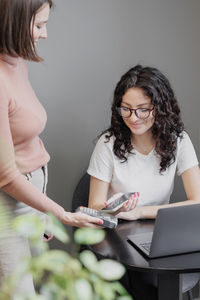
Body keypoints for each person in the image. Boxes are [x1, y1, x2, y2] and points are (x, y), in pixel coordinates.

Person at [0, 0, 103, 295]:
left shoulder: (16, 61)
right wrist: (61, 214)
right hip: (7, 208)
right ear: (14, 23)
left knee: (38, 285)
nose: (44, 34)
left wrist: (40, 209)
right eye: (39, 25)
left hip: (30, 197)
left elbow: (26, 139)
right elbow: (6, 174)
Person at [87, 65, 200, 299]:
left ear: (160, 108)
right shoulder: (108, 143)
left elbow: (197, 202)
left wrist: (140, 212)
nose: (133, 118)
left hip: (159, 234)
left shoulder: (179, 141)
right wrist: (113, 209)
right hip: (117, 236)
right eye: (126, 109)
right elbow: (94, 206)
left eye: (142, 110)